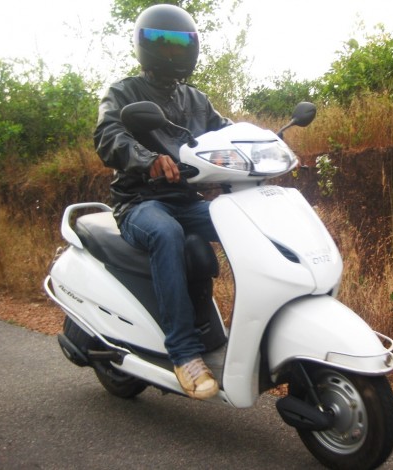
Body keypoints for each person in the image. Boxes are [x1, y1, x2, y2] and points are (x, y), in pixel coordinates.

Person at [93, 4, 231, 400]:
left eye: (180, 44)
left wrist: (262, 146)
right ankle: (184, 353)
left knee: (243, 221)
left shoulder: (196, 100)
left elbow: (227, 133)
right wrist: (147, 159)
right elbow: (108, 136)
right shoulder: (123, 92)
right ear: (145, 46)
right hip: (139, 203)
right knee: (168, 234)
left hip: (187, 200)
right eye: (163, 43)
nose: (172, 52)